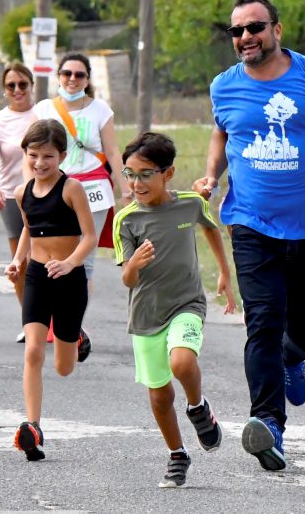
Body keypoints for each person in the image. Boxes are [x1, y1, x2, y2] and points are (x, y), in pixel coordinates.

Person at [192, 0, 305, 472]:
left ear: (277, 30)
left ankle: (296, 357)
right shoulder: (223, 86)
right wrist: (212, 176)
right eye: (237, 31)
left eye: (255, 27)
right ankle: (268, 424)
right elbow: (221, 132)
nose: (246, 37)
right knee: (263, 322)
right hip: (251, 224)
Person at [114, 132, 236, 487]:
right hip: (146, 315)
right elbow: (127, 280)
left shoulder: (189, 204)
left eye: (145, 174)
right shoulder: (127, 220)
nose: (136, 183)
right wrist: (134, 263)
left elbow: (211, 229)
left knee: (182, 362)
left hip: (187, 303)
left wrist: (225, 274)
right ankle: (177, 454)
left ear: (168, 173)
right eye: (130, 174)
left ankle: (198, 407)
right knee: (160, 394)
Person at [4, 120, 97, 462]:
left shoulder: (71, 189)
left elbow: (89, 236)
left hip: (69, 279)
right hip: (38, 277)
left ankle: (75, 339)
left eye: (47, 156)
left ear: (61, 155)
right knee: (32, 352)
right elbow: (29, 231)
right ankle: (33, 427)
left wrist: (71, 263)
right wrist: (17, 260)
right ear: (25, 155)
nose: (40, 163)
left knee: (64, 368)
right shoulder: (21, 192)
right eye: (33, 156)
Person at [34, 53, 133, 360]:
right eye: (67, 74)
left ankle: (73, 323)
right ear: (58, 76)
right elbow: (34, 151)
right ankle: (54, 317)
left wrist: (125, 186)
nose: (72, 79)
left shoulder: (101, 110)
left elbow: (113, 151)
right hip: (57, 187)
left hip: (93, 188)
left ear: (88, 79)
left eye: (79, 75)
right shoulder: (44, 109)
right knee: (53, 252)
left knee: (84, 260)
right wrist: (30, 187)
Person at [0, 63, 37, 342]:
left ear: (32, 85)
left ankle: (51, 319)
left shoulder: (43, 114)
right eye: (11, 85)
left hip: (42, 195)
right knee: (20, 261)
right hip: (11, 194)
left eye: (23, 84)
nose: (17, 90)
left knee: (46, 255)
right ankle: (29, 321)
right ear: (4, 90)